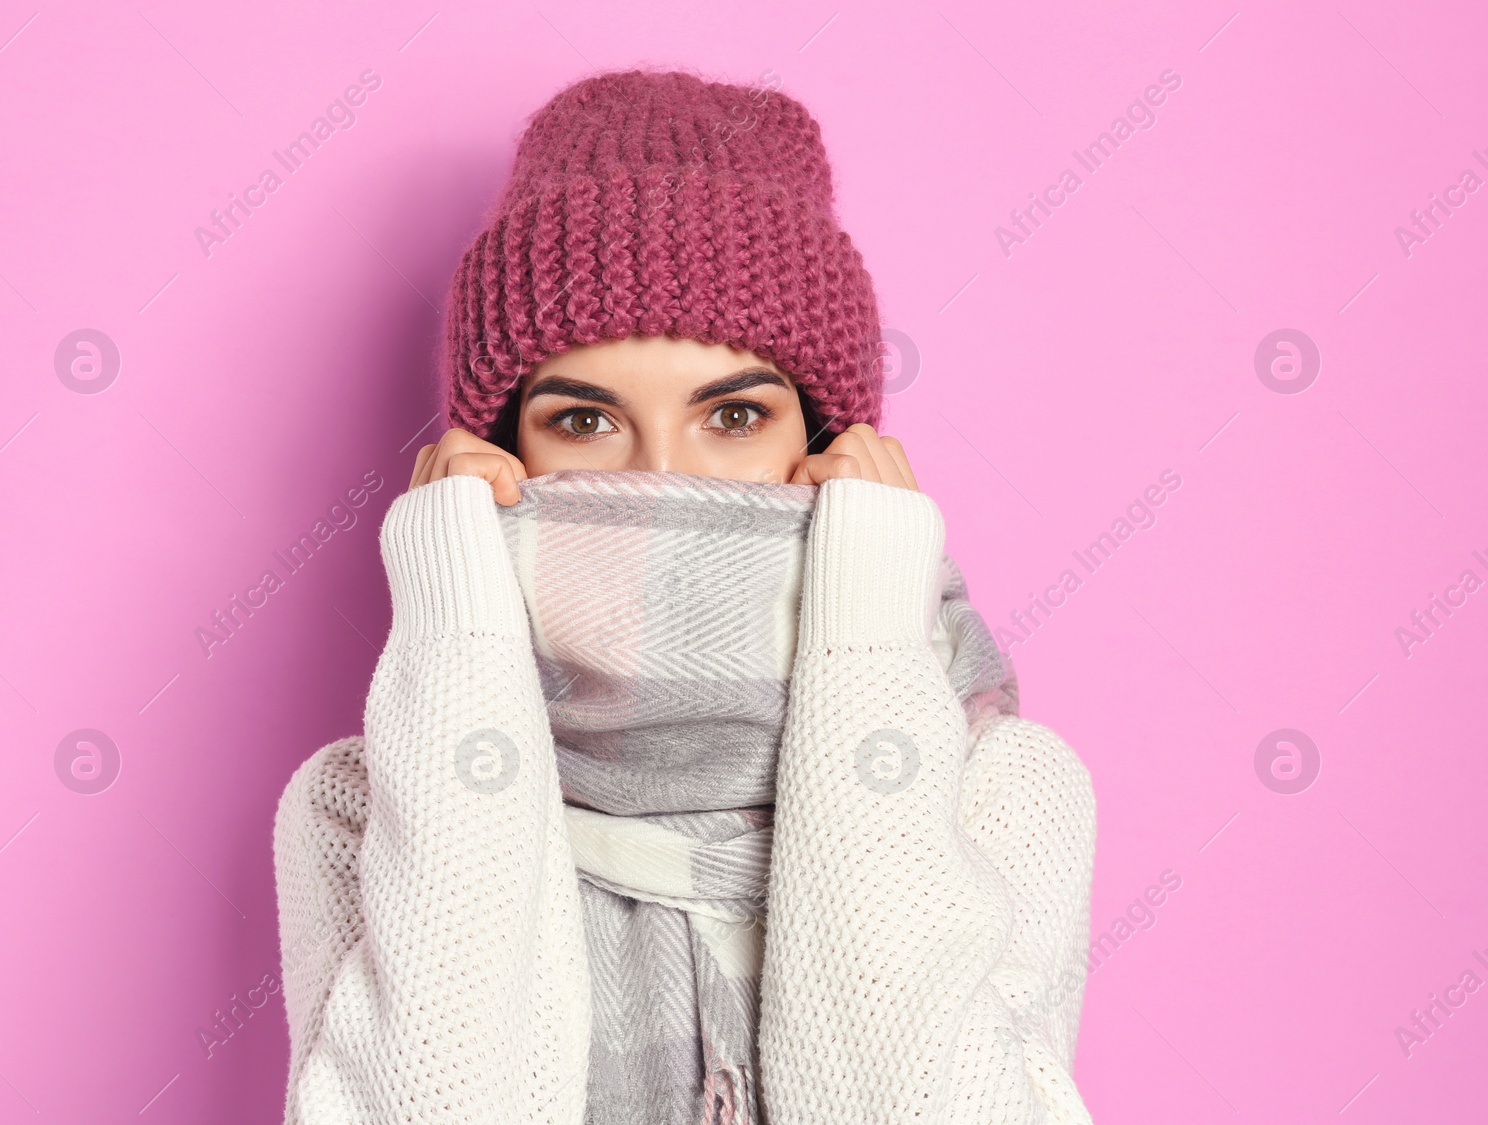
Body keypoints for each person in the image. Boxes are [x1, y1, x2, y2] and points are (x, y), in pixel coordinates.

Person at [272, 69, 1096, 1124]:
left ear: (832, 444)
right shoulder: (365, 807)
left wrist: (868, 640)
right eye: (582, 422)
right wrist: (457, 632)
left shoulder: (999, 790)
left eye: (735, 418)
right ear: (495, 451)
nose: (665, 475)